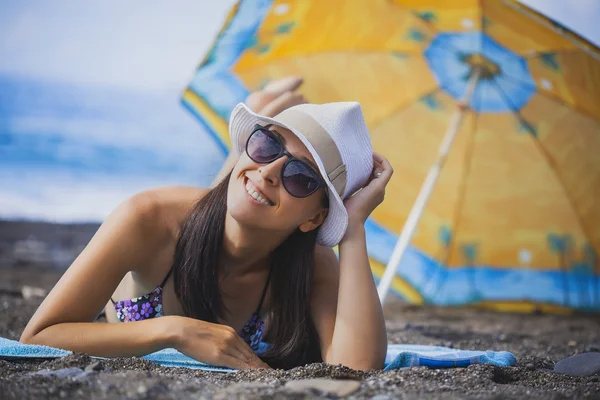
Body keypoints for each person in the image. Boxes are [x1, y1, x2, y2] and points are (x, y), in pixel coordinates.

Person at [20, 77, 393, 371]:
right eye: (266, 144)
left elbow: (357, 367)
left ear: (315, 217)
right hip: (194, 227)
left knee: (236, 203)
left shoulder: (312, 263)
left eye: (301, 176)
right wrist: (176, 331)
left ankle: (265, 113)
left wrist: (354, 226)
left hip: (247, 225)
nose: (269, 171)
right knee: (219, 209)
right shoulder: (148, 217)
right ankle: (263, 111)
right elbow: (38, 335)